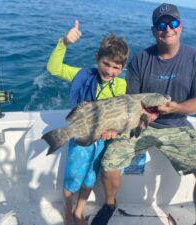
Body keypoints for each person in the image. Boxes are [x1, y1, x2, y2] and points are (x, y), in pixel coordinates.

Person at [91, 3, 196, 225]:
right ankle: (110, 203)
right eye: (161, 24)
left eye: (173, 23)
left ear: (181, 27)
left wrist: (175, 108)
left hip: (177, 125)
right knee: (109, 162)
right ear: (153, 30)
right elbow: (131, 100)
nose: (167, 28)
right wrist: (143, 117)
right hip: (140, 124)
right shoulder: (141, 59)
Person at [47, 20, 129, 225]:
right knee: (73, 178)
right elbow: (53, 69)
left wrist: (112, 131)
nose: (110, 71)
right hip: (81, 137)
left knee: (90, 179)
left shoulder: (121, 85)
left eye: (116, 67)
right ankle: (68, 210)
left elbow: (117, 115)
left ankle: (79, 212)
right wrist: (64, 43)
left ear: (122, 68)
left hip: (101, 141)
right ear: (97, 59)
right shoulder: (82, 75)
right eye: (106, 64)